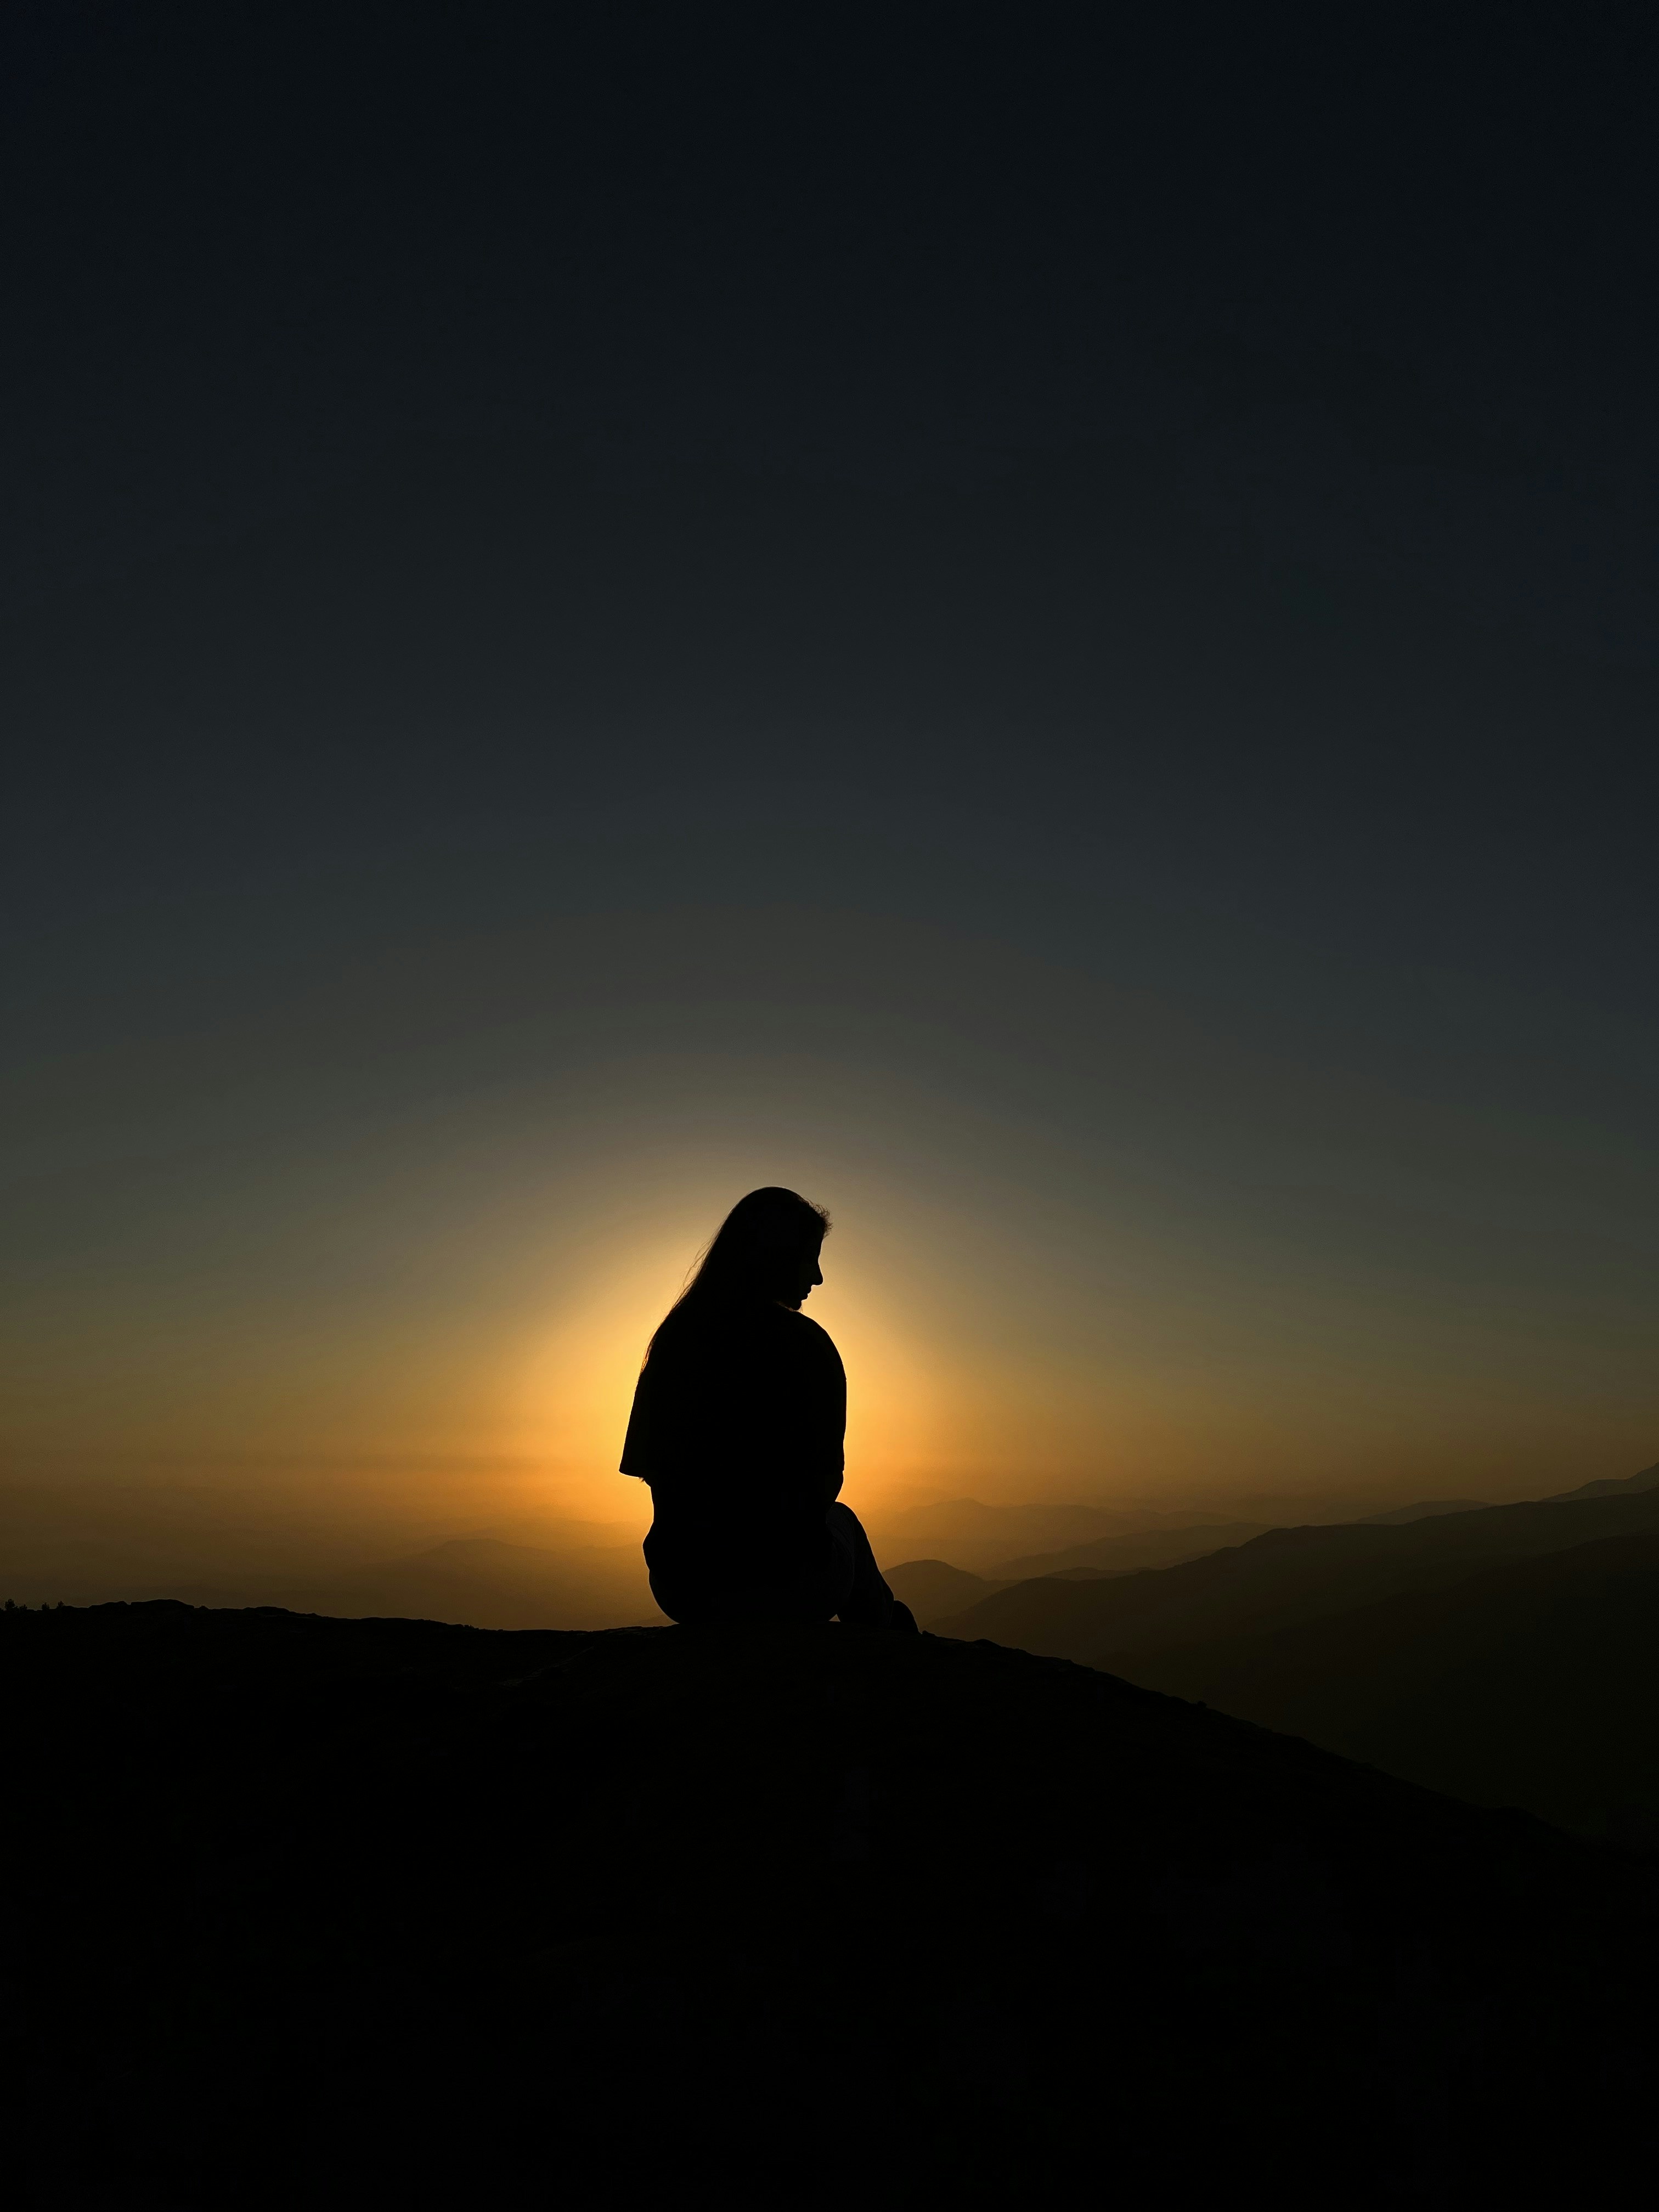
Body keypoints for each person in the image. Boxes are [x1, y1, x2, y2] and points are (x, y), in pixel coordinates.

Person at [621, 1187, 918, 1630]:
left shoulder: (675, 1342)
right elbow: (824, 1483)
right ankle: (888, 1640)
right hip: (787, 1589)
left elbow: (652, 1472)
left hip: (682, 1589)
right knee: (844, 1523)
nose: (818, 1278)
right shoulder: (806, 1345)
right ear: (775, 1258)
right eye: (809, 1259)